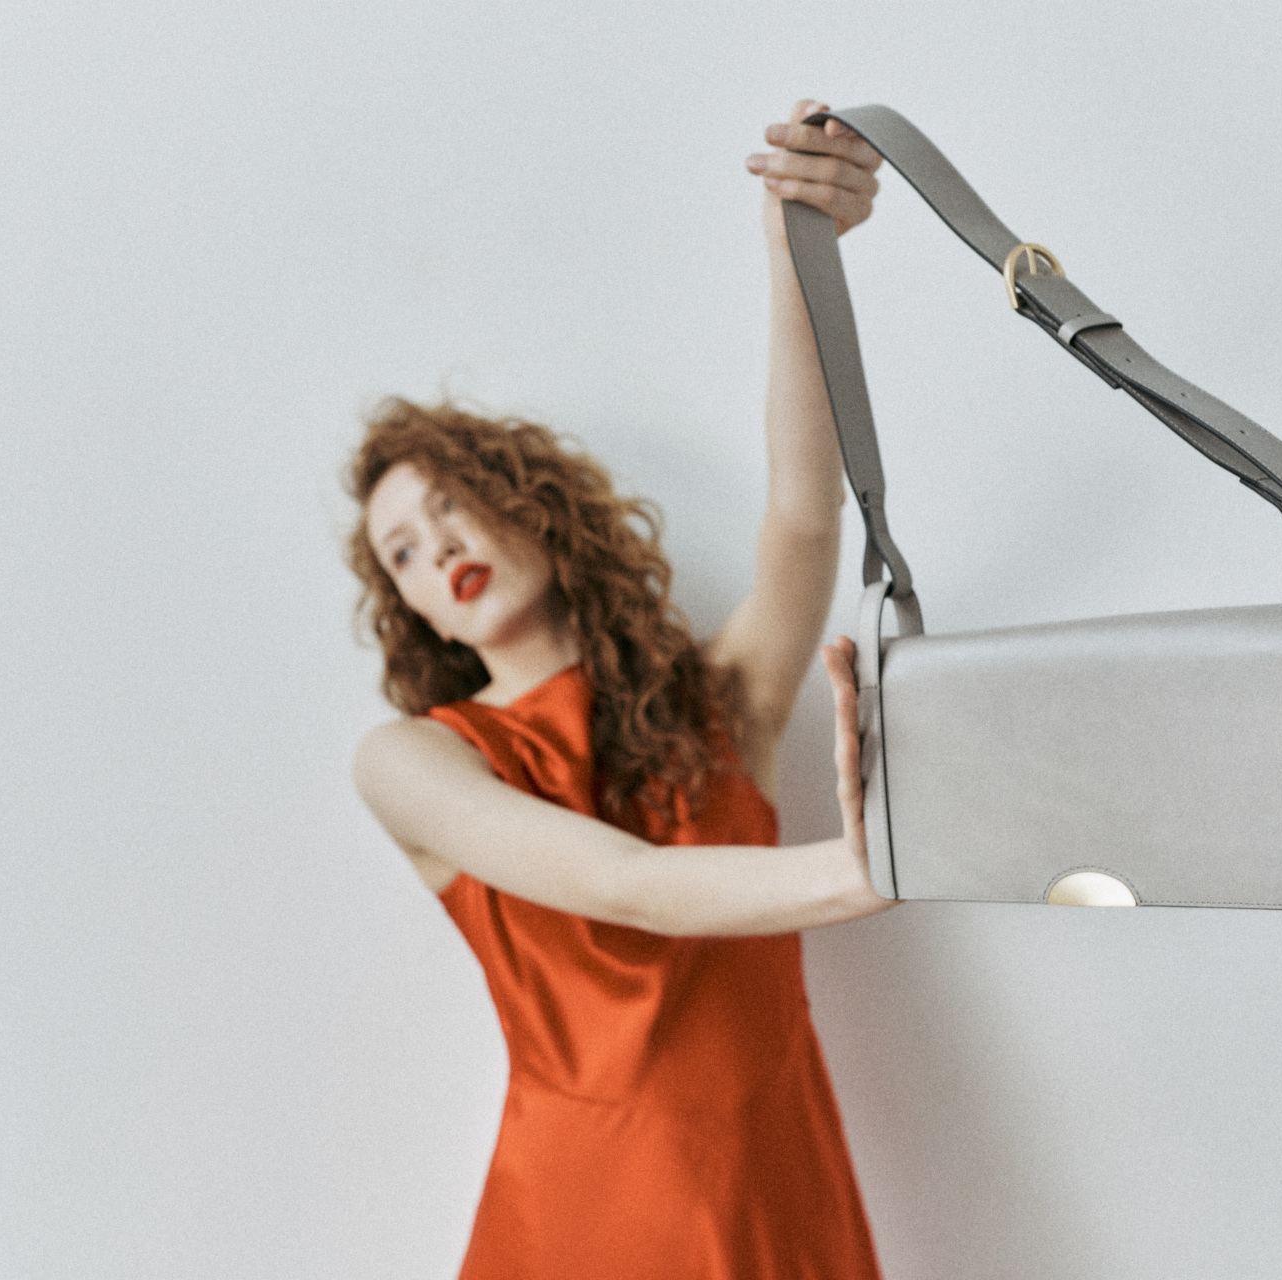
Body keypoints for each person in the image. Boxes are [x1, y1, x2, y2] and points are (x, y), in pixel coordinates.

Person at [346, 101, 892, 1280]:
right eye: (402, 552)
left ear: (536, 509)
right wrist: (870, 867)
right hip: (591, 1211)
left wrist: (797, 248)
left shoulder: (722, 706)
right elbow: (625, 884)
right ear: (415, 610)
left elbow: (805, 515)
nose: (438, 547)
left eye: (456, 504)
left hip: (776, 1175)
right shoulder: (417, 761)